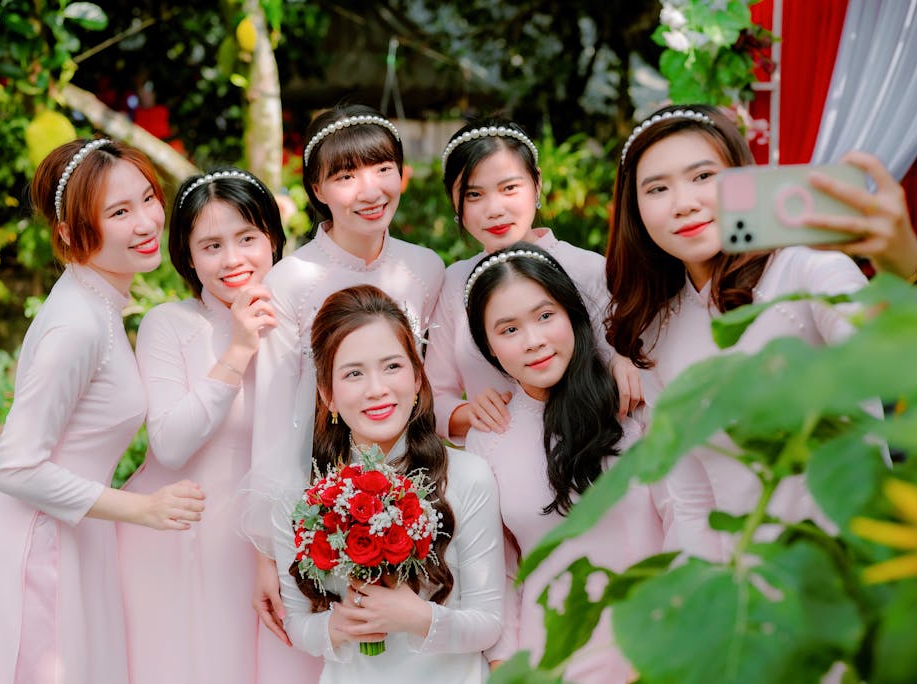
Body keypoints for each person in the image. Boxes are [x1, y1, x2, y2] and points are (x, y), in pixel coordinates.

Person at [0, 138, 206, 683]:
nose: (145, 222)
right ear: (68, 233)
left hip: (73, 532)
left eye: (147, 199)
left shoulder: (99, 305)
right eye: (118, 212)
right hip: (30, 542)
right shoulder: (77, 325)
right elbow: (17, 466)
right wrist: (144, 509)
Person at [604, 105, 910, 541]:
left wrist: (901, 269)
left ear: (743, 180)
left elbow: (891, 362)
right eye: (657, 189)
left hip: (852, 564)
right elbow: (691, 498)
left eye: (704, 177)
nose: (684, 204)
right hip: (744, 584)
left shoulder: (808, 271)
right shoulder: (653, 330)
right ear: (634, 209)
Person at [242, 104, 446, 660]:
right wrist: (268, 550)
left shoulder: (426, 268)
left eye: (382, 168)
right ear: (317, 188)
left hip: (422, 486)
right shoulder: (290, 281)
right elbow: (275, 417)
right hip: (326, 506)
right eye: (346, 176)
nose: (370, 189)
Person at [463, 244, 717, 682]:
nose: (534, 341)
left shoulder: (632, 397)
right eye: (508, 329)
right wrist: (506, 665)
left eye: (546, 316)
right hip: (553, 659)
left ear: (572, 314)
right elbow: (499, 569)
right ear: (488, 348)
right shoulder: (487, 436)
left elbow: (686, 514)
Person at [115, 168, 322, 682]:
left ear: (273, 239)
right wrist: (239, 348)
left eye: (247, 238)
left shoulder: (302, 321)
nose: (233, 260)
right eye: (211, 245)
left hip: (277, 536)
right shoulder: (170, 324)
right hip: (187, 540)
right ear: (187, 256)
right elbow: (169, 445)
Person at [274, 284, 504, 683]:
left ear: (417, 378)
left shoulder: (467, 476)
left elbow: (489, 623)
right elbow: (296, 624)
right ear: (327, 394)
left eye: (393, 366)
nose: (377, 388)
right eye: (354, 373)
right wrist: (336, 626)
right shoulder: (299, 494)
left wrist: (419, 618)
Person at [425, 118, 641, 445]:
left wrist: (625, 357)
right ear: (454, 201)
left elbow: (633, 361)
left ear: (536, 184)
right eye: (474, 194)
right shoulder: (455, 283)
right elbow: (434, 398)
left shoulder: (589, 270)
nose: (494, 209)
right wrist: (469, 412)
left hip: (591, 455)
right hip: (498, 463)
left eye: (509, 188)